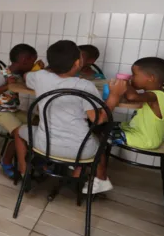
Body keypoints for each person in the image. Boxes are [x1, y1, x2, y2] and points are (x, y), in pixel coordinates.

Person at [14, 40, 125, 194]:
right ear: (78, 62)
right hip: (80, 151)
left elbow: (26, 76)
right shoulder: (85, 86)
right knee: (99, 141)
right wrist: (114, 97)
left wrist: (41, 70)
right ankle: (100, 179)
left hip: (42, 145)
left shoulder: (39, 76)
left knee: (18, 131)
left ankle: (24, 171)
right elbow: (98, 119)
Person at [0, 44, 40, 178]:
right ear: (24, 60)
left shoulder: (22, 74)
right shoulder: (3, 74)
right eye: (32, 62)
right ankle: (6, 161)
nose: (32, 64)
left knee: (38, 121)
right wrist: (7, 85)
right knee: (19, 131)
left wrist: (38, 70)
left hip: (13, 109)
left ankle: (28, 153)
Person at [112, 57, 164, 151]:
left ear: (151, 78)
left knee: (103, 132)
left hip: (145, 139)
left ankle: (98, 162)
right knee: (108, 125)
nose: (131, 77)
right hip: (139, 131)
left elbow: (132, 97)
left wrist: (125, 81)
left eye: (134, 75)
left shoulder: (155, 96)